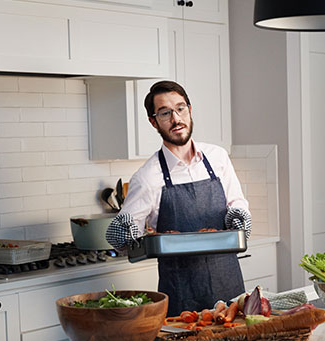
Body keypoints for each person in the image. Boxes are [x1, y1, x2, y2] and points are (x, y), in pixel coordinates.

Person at [106, 80, 251, 316]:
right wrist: (126, 233)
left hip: (229, 283)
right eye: (165, 113)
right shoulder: (147, 177)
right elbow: (124, 241)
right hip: (182, 292)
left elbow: (237, 203)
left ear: (190, 110)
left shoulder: (218, 157)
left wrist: (240, 217)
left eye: (180, 108)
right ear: (154, 122)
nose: (176, 119)